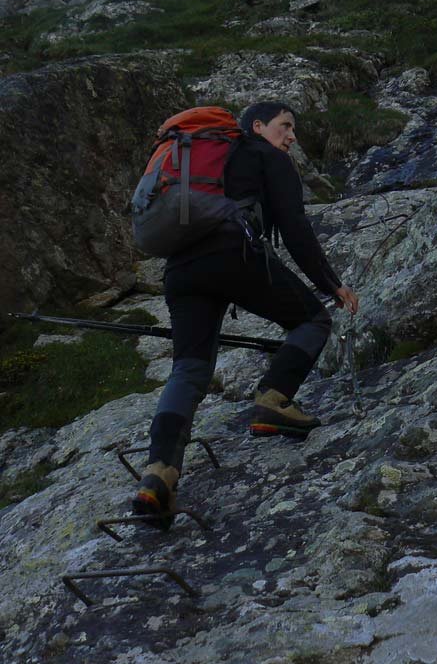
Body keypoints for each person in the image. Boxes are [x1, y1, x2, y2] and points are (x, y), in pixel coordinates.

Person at [133, 101, 359, 526]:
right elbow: (294, 227)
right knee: (312, 320)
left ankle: (158, 472)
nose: (291, 136)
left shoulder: (209, 160)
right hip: (232, 253)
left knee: (189, 370)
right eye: (285, 126)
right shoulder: (265, 155)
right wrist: (331, 283)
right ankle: (273, 400)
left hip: (181, 269)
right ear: (257, 126)